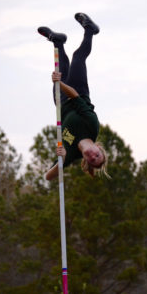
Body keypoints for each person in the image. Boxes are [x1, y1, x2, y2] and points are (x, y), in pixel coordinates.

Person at [38, 13, 110, 181]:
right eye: (97, 155)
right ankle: (90, 30)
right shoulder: (92, 126)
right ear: (98, 148)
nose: (93, 157)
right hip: (78, 91)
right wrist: (60, 85)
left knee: (62, 66)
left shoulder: (71, 153)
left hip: (62, 103)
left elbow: (48, 177)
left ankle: (58, 41)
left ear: (86, 161)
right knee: (78, 58)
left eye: (92, 161)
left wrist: (61, 161)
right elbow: (76, 97)